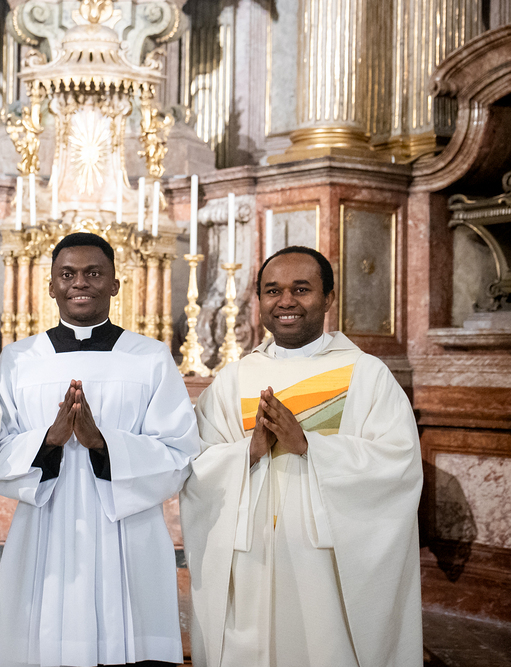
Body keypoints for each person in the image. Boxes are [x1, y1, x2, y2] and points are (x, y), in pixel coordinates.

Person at [180, 246, 423, 667]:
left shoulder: (366, 374)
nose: (286, 301)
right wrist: (249, 451)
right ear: (259, 301)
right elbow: (196, 466)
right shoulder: (235, 378)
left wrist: (309, 445)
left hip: (326, 560)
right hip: (248, 556)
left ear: (329, 298)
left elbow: (397, 465)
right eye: (273, 290)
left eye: (302, 289)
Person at [0, 232, 201, 667]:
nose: (80, 283)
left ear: (115, 284)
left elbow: (179, 452)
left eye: (93, 273)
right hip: (44, 529)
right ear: (51, 286)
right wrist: (49, 440)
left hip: (129, 532)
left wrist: (102, 443)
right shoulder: (18, 360)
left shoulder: (151, 358)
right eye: (67, 275)